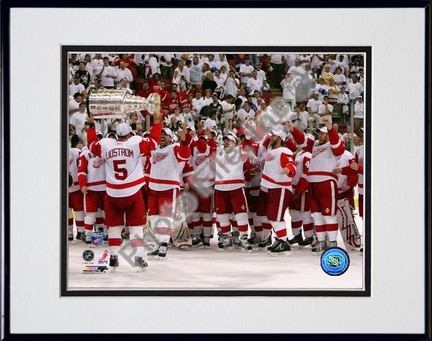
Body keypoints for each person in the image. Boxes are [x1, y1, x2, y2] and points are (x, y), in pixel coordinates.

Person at [86, 111, 163, 272]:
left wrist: (91, 126)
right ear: (129, 134)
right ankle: (138, 257)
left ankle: (113, 256)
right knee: (136, 226)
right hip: (133, 191)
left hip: (113, 192)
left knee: (114, 226)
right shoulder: (134, 143)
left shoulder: (107, 146)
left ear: (115, 136)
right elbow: (154, 143)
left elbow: (92, 144)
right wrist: (157, 123)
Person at [287, 115, 346, 254]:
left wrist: (330, 127)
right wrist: (292, 129)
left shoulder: (333, 146)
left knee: (329, 215)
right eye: (319, 132)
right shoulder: (313, 146)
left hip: (326, 182)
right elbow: (302, 140)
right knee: (317, 215)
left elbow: (337, 144)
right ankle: (321, 241)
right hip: (312, 184)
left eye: (323, 133)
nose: (320, 135)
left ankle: (332, 242)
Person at [146, 127, 191, 259]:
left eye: (166, 135)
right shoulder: (153, 151)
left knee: (166, 216)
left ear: (171, 138)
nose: (163, 136)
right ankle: (158, 242)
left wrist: (184, 141)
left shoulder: (174, 148)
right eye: (161, 134)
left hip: (169, 186)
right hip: (154, 187)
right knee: (154, 217)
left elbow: (185, 155)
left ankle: (164, 244)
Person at [214, 133, 253, 252]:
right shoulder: (218, 151)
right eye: (225, 140)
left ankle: (243, 237)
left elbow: (248, 145)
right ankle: (227, 237)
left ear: (235, 142)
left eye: (229, 140)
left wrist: (247, 136)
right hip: (220, 188)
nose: (226, 142)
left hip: (236, 187)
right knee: (222, 215)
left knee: (241, 214)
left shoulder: (239, 151)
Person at [260, 128, 297, 256]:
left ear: (280, 138)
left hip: (280, 188)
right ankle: (281, 239)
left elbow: (291, 163)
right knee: (273, 217)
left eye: (274, 136)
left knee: (274, 217)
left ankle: (284, 242)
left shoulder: (284, 151)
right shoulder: (272, 151)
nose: (271, 137)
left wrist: (289, 169)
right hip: (272, 188)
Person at [78, 131, 107, 244]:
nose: (97, 140)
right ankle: (89, 235)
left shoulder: (105, 151)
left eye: (99, 138)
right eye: (96, 137)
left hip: (105, 187)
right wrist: (83, 184)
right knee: (90, 214)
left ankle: (103, 234)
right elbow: (81, 171)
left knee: (105, 212)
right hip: (91, 188)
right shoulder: (84, 153)